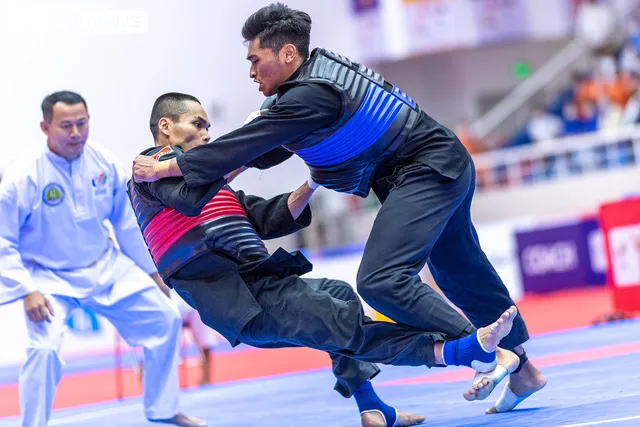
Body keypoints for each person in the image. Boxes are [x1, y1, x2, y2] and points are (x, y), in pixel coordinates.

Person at [132, 4, 547, 412]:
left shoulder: (307, 96)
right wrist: (277, 166)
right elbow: (253, 154)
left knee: (379, 281)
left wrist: (168, 165)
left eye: (256, 60)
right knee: (459, 273)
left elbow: (244, 150)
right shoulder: (305, 91)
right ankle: (518, 369)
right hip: (435, 165)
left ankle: (479, 350)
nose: (251, 72)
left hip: (426, 168)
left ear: (287, 53)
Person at [0, 91, 205, 427]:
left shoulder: (105, 162)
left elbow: (126, 224)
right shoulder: (22, 177)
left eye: (82, 123)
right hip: (47, 277)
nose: (76, 133)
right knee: (44, 349)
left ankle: (163, 409)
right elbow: (3, 241)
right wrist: (26, 290)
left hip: (105, 265)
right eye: (66, 126)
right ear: (45, 127)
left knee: (165, 317)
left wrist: (153, 272)